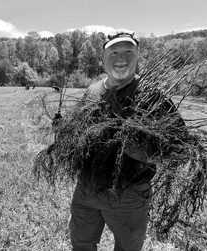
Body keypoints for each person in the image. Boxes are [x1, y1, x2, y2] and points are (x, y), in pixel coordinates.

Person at [67, 29, 173, 251]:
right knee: (82, 244)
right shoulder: (92, 90)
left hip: (129, 194)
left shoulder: (153, 97)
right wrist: (65, 131)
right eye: (113, 52)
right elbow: (80, 135)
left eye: (128, 51)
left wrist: (135, 147)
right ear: (103, 59)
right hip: (87, 189)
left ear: (137, 55)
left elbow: (176, 148)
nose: (121, 58)